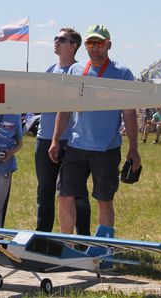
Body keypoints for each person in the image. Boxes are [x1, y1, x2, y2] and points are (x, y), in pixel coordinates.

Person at [50, 24, 140, 233]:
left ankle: (103, 246)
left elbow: (129, 113)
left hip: (107, 149)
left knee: (104, 199)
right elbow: (64, 109)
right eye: (90, 43)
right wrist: (55, 140)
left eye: (99, 43)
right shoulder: (75, 70)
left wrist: (133, 149)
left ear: (108, 44)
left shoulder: (123, 72)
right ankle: (67, 241)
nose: (94, 47)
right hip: (76, 146)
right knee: (64, 195)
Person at [34, 28, 92, 234]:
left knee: (75, 192)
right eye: (55, 38)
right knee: (45, 191)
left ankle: (83, 237)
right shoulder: (50, 70)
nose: (56, 42)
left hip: (73, 141)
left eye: (61, 39)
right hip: (45, 137)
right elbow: (39, 102)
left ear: (73, 46)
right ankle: (43, 236)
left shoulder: (80, 71)